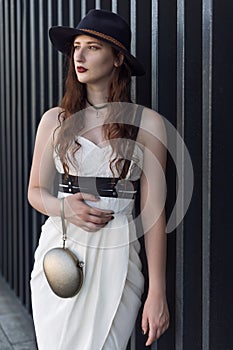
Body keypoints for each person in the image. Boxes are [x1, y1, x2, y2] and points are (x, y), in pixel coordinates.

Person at [28, 9, 169, 350]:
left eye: (92, 47)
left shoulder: (148, 124)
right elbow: (35, 192)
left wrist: (157, 292)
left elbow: (153, 214)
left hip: (118, 257)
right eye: (76, 46)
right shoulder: (54, 121)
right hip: (59, 254)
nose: (79, 55)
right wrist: (64, 208)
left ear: (118, 58)